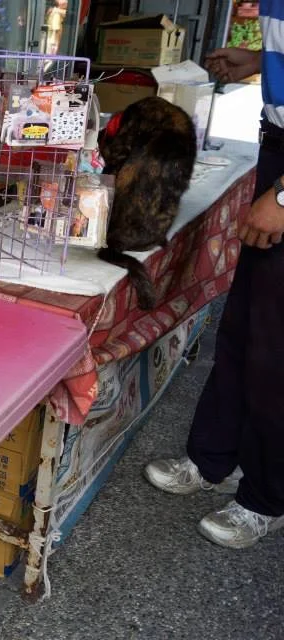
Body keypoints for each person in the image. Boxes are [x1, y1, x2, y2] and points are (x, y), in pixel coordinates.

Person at [143, 0, 284, 549]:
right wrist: (258, 60)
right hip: (274, 144)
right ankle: (213, 459)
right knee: (244, 327)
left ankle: (267, 498)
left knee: (276, 346)